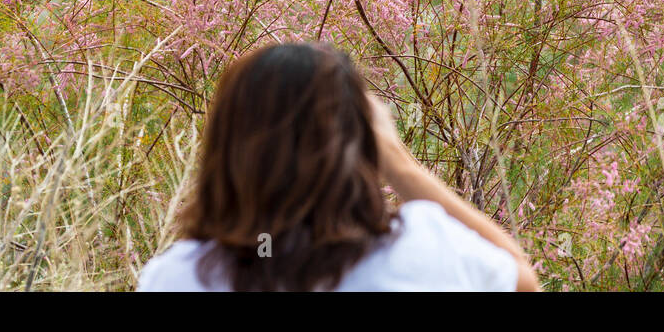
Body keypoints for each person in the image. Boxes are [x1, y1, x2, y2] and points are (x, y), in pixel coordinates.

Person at [137, 41, 539, 292]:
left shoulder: (178, 277)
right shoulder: (424, 249)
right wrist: (399, 164)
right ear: (362, 142)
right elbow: (521, 279)